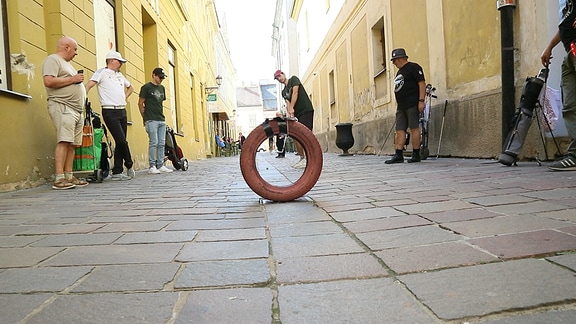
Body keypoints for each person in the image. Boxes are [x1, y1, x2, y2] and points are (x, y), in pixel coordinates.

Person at [42, 36, 89, 190]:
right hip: (63, 106)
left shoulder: (68, 65)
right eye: (75, 49)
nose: (76, 53)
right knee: (64, 141)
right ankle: (59, 178)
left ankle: (69, 175)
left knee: (73, 144)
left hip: (76, 110)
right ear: (66, 47)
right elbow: (48, 81)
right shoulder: (53, 60)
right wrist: (73, 79)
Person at [85, 50, 135, 180]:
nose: (121, 64)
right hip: (109, 111)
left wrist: (124, 97)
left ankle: (118, 171)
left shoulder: (120, 75)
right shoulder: (101, 72)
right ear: (112, 61)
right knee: (122, 140)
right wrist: (82, 98)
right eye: (119, 62)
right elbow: (89, 85)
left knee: (120, 141)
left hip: (122, 110)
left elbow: (131, 87)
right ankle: (129, 164)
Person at [541, 0, 576, 171]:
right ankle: (575, 155)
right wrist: (549, 46)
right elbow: (565, 24)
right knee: (570, 106)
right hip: (570, 52)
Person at [385, 48, 426, 164]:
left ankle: (416, 153)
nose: (393, 63)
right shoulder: (400, 72)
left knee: (414, 128)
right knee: (399, 130)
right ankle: (398, 154)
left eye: (394, 60)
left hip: (412, 103)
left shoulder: (414, 67)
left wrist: (421, 101)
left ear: (400, 58)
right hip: (401, 106)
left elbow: (422, 83)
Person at [274, 70, 315, 168]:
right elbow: (288, 103)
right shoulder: (283, 91)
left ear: (283, 74)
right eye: (277, 78)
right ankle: (302, 158)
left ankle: (312, 158)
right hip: (297, 114)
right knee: (296, 135)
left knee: (306, 135)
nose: (279, 79)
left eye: (279, 76)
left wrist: (292, 107)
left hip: (306, 110)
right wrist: (289, 113)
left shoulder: (293, 79)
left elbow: (295, 93)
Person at [138, 67, 173, 174]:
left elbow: (160, 103)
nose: (161, 79)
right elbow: (140, 103)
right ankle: (152, 166)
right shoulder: (146, 87)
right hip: (151, 119)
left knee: (162, 143)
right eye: (159, 77)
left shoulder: (162, 88)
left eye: (162, 77)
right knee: (154, 142)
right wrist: (144, 117)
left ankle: (160, 165)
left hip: (161, 118)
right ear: (153, 75)